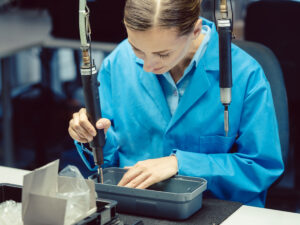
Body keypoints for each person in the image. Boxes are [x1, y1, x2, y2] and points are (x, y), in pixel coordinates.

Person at [68, 0, 284, 207]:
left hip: (216, 208)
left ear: (195, 31)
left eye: (163, 54)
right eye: (138, 50)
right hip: (137, 204)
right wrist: (91, 137)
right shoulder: (118, 62)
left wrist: (180, 164)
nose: (148, 66)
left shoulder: (244, 73)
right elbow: (108, 162)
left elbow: (260, 167)